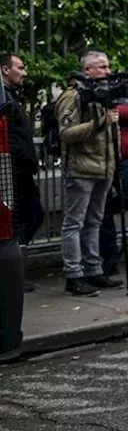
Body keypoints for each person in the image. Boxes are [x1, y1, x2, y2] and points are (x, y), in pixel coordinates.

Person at [56, 50, 123, 296]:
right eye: (102, 67)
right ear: (88, 70)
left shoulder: (102, 96)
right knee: (74, 223)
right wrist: (100, 123)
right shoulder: (72, 96)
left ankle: (94, 270)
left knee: (94, 222)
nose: (108, 71)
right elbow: (66, 133)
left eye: (108, 66)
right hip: (82, 168)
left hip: (103, 168)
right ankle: (73, 275)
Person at [2, 54, 42, 292]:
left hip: (20, 168)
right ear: (5, 70)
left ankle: (14, 272)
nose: (24, 72)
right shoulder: (4, 97)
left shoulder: (11, 96)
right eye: (20, 67)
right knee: (25, 217)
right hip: (13, 169)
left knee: (28, 217)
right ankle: (12, 273)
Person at [99, 76, 128, 279]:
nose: (106, 71)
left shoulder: (121, 88)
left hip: (124, 154)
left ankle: (105, 211)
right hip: (103, 156)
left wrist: (116, 112)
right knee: (103, 207)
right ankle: (109, 259)